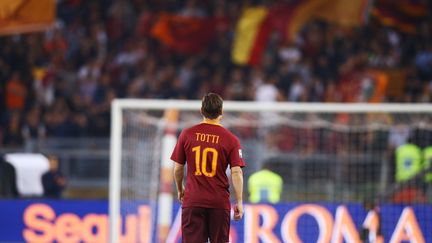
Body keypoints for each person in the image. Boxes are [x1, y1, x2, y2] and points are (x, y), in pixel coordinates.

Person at [171, 93, 245, 243]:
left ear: (201, 110)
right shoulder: (231, 139)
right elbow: (236, 172)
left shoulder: (187, 134)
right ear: (221, 112)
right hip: (219, 202)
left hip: (193, 200)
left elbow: (178, 168)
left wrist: (180, 189)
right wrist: (239, 201)